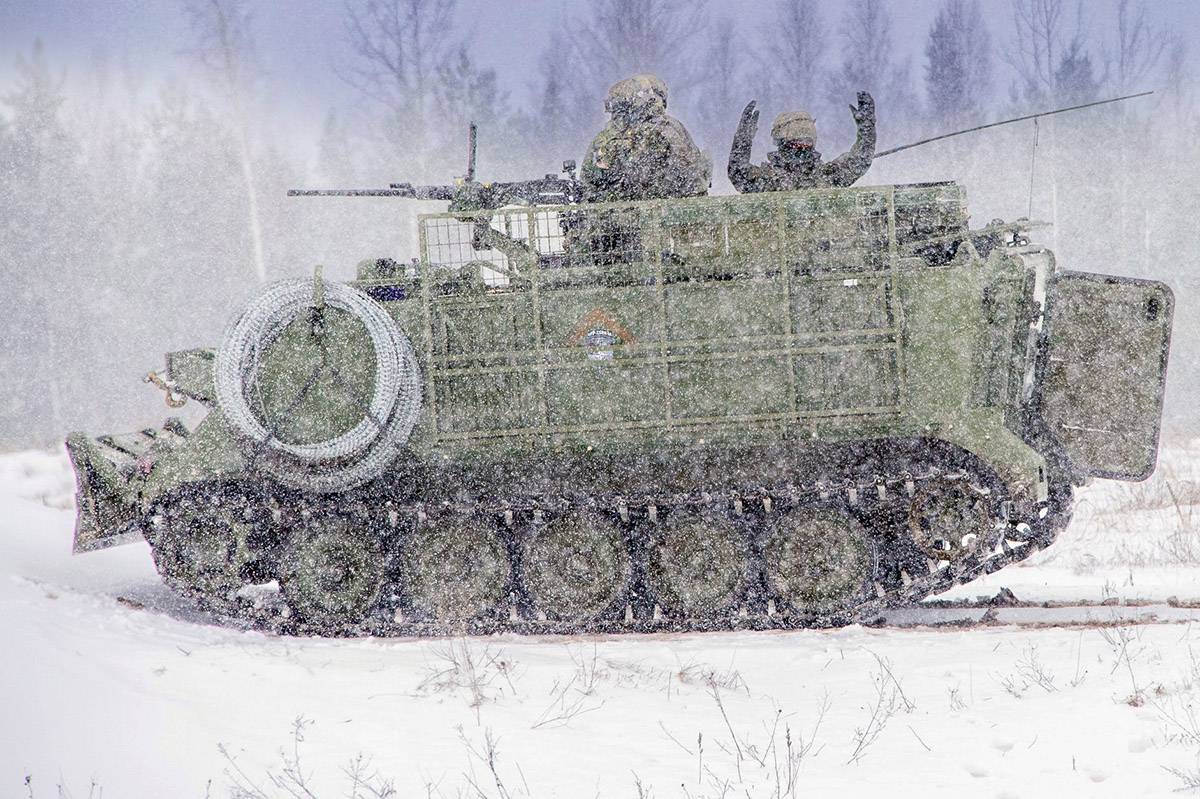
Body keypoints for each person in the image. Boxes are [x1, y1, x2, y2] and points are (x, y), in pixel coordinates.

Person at [580, 74, 712, 203]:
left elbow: (592, 181)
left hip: (651, 212)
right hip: (651, 212)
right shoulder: (666, 128)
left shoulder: (663, 129)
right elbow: (590, 178)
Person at [728, 92, 876, 192]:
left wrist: (867, 129)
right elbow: (738, 173)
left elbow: (859, 160)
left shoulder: (826, 176)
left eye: (806, 144)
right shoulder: (767, 179)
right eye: (796, 145)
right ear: (782, 143)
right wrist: (743, 139)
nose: (801, 150)